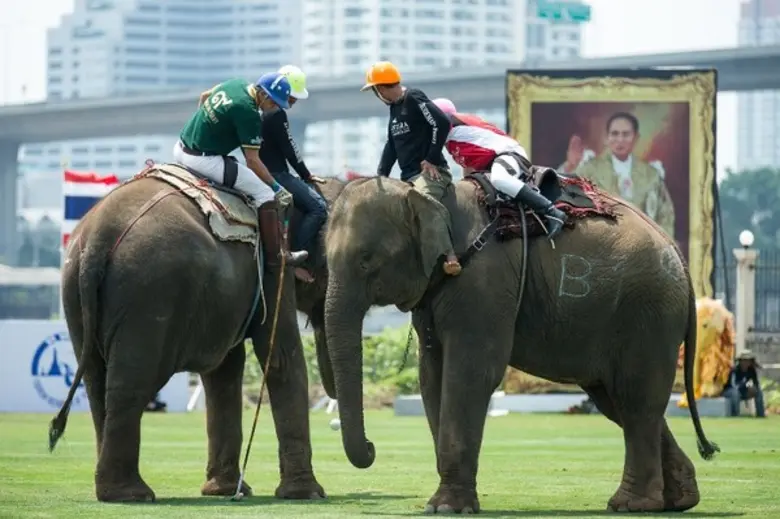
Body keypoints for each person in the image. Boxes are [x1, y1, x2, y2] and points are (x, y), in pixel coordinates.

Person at [173, 72, 308, 267]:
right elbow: (253, 161)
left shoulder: (236, 84)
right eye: (275, 104)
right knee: (265, 194)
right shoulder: (249, 113)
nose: (275, 109)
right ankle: (277, 256)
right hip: (202, 160)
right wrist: (277, 188)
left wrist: (206, 130)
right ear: (264, 96)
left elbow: (204, 96)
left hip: (181, 146)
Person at [360, 61, 461, 276]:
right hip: (407, 177)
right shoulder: (394, 109)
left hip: (430, 174)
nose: (377, 95)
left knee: (423, 201)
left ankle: (449, 254)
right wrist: (380, 176)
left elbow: (440, 123)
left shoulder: (413, 97)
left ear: (382, 88)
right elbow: (392, 145)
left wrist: (432, 158)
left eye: (376, 90)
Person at [431, 98, 567, 240]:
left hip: (508, 154)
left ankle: (552, 212)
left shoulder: (456, 125)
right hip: (491, 164)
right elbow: (469, 167)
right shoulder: (451, 141)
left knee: (499, 179)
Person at [259, 65, 328, 283]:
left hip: (259, 171)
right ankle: (298, 259)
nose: (293, 102)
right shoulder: (277, 114)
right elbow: (291, 150)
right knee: (318, 208)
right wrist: (306, 175)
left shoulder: (260, 108)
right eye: (292, 97)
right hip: (277, 174)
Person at [566, 112, 675, 237]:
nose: (620, 140)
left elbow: (665, 215)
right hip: (602, 241)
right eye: (615, 134)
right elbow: (571, 200)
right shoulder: (589, 170)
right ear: (607, 138)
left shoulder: (651, 174)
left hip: (644, 243)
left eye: (626, 134)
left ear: (636, 137)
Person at [722, 350, 766, 418]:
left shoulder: (751, 370)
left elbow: (755, 383)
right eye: (744, 360)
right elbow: (733, 386)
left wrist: (753, 388)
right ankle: (735, 415)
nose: (746, 362)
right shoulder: (734, 370)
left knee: (758, 391)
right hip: (729, 391)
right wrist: (746, 385)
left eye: (748, 360)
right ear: (740, 361)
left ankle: (760, 415)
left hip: (741, 391)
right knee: (735, 393)